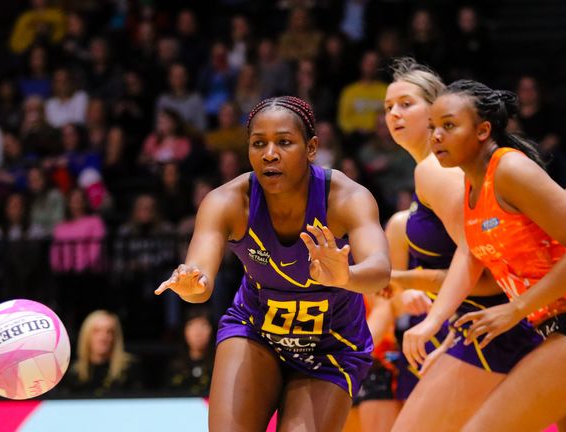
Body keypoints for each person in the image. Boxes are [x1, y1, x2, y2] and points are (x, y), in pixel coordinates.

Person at [406, 79, 566, 431]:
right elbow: (477, 258)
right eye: (432, 128)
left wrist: (516, 308)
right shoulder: (474, 187)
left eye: (449, 125)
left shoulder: (508, 168)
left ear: (483, 130)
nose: (436, 136)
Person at [156, 96, 391, 431]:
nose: (269, 154)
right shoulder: (226, 202)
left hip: (331, 345)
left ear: (311, 148)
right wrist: (192, 286)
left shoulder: (346, 198)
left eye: (284, 142)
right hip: (256, 331)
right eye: (258, 143)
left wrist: (346, 276)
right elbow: (199, 283)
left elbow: (380, 271)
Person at [380, 58, 541, 432]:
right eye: (388, 107)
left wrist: (414, 296)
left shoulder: (435, 171)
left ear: (437, 108)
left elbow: (478, 259)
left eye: (406, 103)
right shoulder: (437, 170)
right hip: (479, 325)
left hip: (493, 326)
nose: (394, 114)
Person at [63, 310, 143, 396]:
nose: (103, 337)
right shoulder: (73, 373)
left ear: (115, 337)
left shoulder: (130, 370)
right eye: (97, 331)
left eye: (109, 332)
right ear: (86, 336)